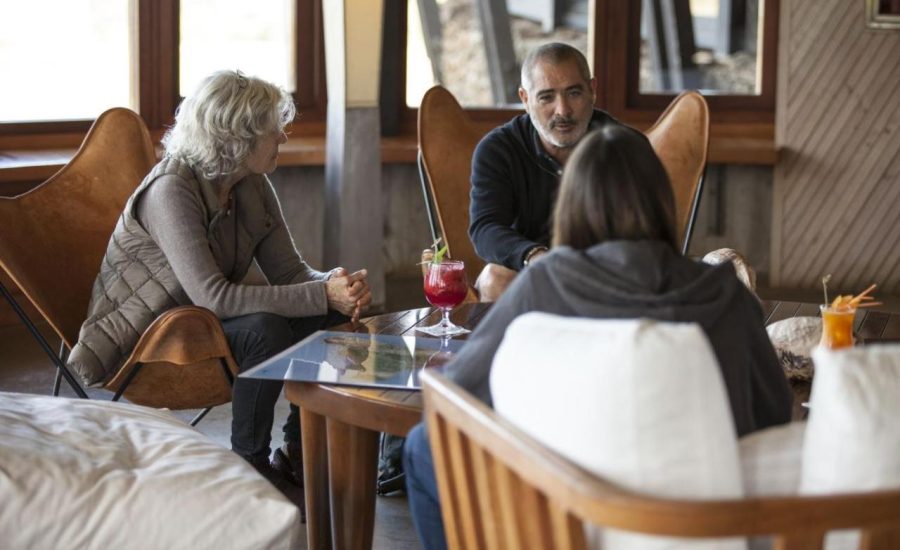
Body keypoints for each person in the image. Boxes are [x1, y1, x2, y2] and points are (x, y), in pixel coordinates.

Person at [404, 124, 792, 550]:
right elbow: (773, 412)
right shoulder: (728, 295)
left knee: (423, 445)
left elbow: (461, 395)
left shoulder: (545, 285)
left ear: (570, 205)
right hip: (701, 524)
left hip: (565, 521)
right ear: (663, 200)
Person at [67, 70, 372, 504]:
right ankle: (250, 464)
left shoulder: (251, 183)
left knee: (328, 313)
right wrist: (321, 293)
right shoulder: (170, 191)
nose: (282, 137)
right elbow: (216, 297)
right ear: (236, 137)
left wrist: (335, 285)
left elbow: (290, 273)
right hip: (150, 342)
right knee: (265, 329)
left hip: (201, 323)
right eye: (272, 128)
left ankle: (300, 453)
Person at [468, 42, 619, 301]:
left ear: (592, 90)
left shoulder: (625, 146)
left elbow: (648, 231)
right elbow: (485, 228)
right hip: (531, 272)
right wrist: (534, 256)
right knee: (494, 278)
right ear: (525, 99)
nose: (563, 110)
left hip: (603, 272)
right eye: (547, 97)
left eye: (574, 93)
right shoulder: (498, 149)